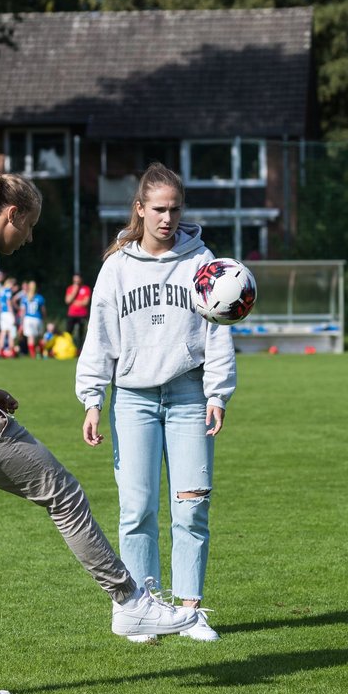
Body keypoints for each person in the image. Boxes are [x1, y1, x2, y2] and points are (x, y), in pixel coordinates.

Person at [0, 164, 198, 694]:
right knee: (64, 492)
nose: (30, 237)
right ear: (10, 214)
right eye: (29, 225)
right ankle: (129, 598)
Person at [75, 162, 237, 644]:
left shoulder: (202, 262)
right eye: (159, 209)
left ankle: (191, 610)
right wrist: (91, 399)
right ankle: (142, 609)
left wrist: (217, 393)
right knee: (137, 509)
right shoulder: (117, 268)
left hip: (188, 395)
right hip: (132, 399)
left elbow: (219, 330)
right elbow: (99, 337)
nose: (167, 218)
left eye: (175, 209)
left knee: (192, 507)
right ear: (140, 210)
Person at [20, 280, 47, 359]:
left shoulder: (25, 298)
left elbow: (23, 311)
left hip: (28, 319)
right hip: (37, 319)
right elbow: (43, 310)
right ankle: (41, 353)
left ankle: (33, 355)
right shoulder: (39, 297)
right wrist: (45, 318)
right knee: (39, 337)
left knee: (30, 337)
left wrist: (21, 323)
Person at [64, 273, 92, 346]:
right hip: (71, 314)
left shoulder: (86, 289)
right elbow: (67, 301)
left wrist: (73, 302)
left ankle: (80, 349)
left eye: (78, 279)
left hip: (82, 314)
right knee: (68, 333)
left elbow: (85, 302)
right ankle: (68, 347)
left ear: (81, 279)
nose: (76, 280)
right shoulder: (70, 288)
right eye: (75, 279)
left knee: (81, 334)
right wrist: (75, 291)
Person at [0, 276, 19, 357]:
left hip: (2, 313)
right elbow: (9, 303)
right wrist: (13, 314)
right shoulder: (8, 291)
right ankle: (11, 351)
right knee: (10, 332)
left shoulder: (2, 290)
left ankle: (0, 350)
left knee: (3, 332)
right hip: (8, 313)